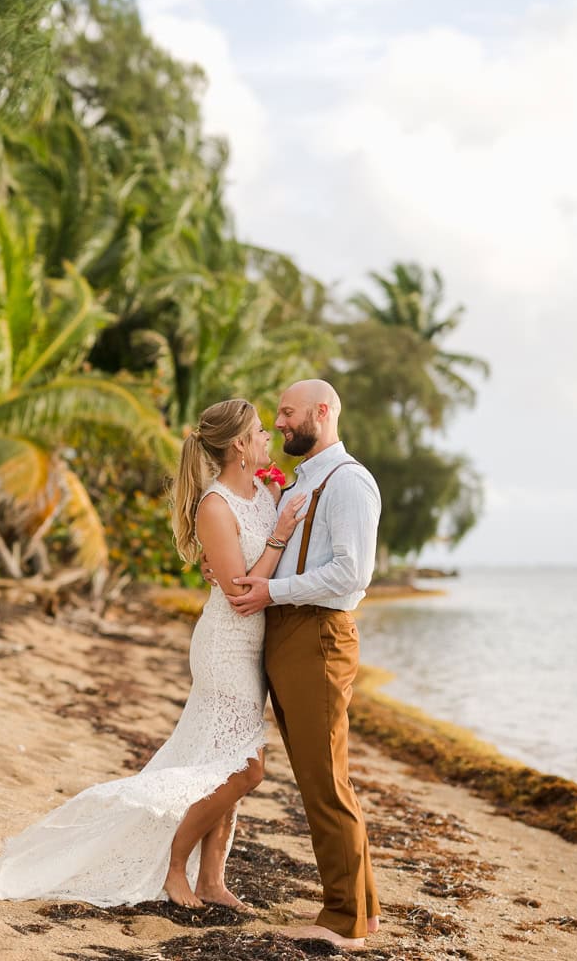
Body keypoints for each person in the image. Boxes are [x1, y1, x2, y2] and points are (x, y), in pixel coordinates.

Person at [0, 398, 309, 910]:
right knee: (244, 771)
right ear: (238, 445)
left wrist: (275, 530)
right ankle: (173, 866)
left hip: (254, 648)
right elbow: (238, 590)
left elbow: (262, 562)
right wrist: (276, 536)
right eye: (258, 431)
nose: (268, 436)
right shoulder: (215, 504)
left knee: (220, 766)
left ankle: (212, 880)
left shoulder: (265, 491)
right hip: (226, 644)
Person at [219, 378, 383, 950]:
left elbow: (351, 575)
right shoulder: (303, 480)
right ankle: (363, 911)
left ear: (322, 411)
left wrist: (273, 592)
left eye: (287, 413)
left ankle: (343, 921)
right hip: (290, 635)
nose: (280, 422)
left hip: (317, 636)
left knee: (324, 781)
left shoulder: (349, 483)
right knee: (321, 779)